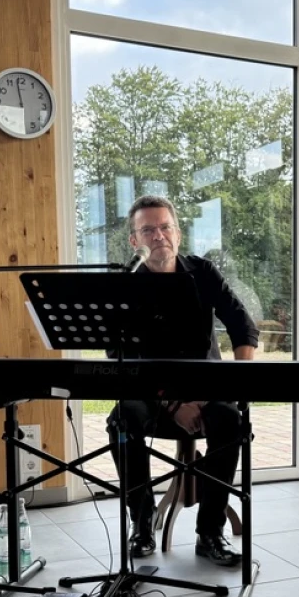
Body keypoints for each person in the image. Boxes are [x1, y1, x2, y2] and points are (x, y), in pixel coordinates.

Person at [108, 195, 258, 567]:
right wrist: (172, 405)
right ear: (134, 241)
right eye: (148, 230)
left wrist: (236, 381)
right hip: (150, 396)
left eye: (165, 227)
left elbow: (244, 327)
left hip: (207, 392)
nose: (158, 236)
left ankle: (210, 532)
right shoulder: (126, 283)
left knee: (231, 423)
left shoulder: (203, 273)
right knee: (121, 420)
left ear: (178, 233)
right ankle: (141, 524)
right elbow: (119, 355)